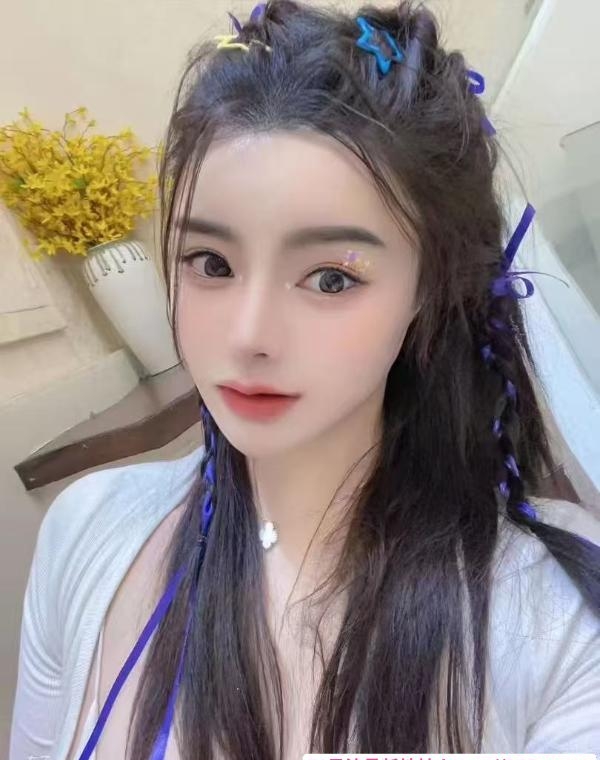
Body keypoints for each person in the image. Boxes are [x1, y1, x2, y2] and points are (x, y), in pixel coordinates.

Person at [9, 1, 600, 758]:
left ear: (427, 292)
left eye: (330, 278)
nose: (248, 336)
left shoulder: (554, 623)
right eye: (211, 263)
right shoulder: (86, 531)